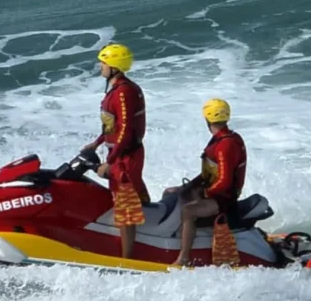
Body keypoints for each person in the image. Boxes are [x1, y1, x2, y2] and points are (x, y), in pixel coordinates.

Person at [81, 43, 149, 259]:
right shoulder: (117, 89)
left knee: (125, 209)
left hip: (125, 156)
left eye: (104, 62)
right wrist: (97, 143)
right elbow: (112, 126)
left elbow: (126, 128)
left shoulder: (124, 92)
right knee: (133, 198)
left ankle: (128, 258)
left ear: (114, 66)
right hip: (121, 153)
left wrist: (111, 160)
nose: (100, 66)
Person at [165, 98, 247, 267]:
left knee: (188, 211)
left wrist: (204, 194)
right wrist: (184, 188)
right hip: (214, 193)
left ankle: (183, 258)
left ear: (207, 119)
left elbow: (224, 181)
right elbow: (207, 174)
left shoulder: (225, 145)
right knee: (170, 194)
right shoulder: (221, 139)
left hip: (223, 200)